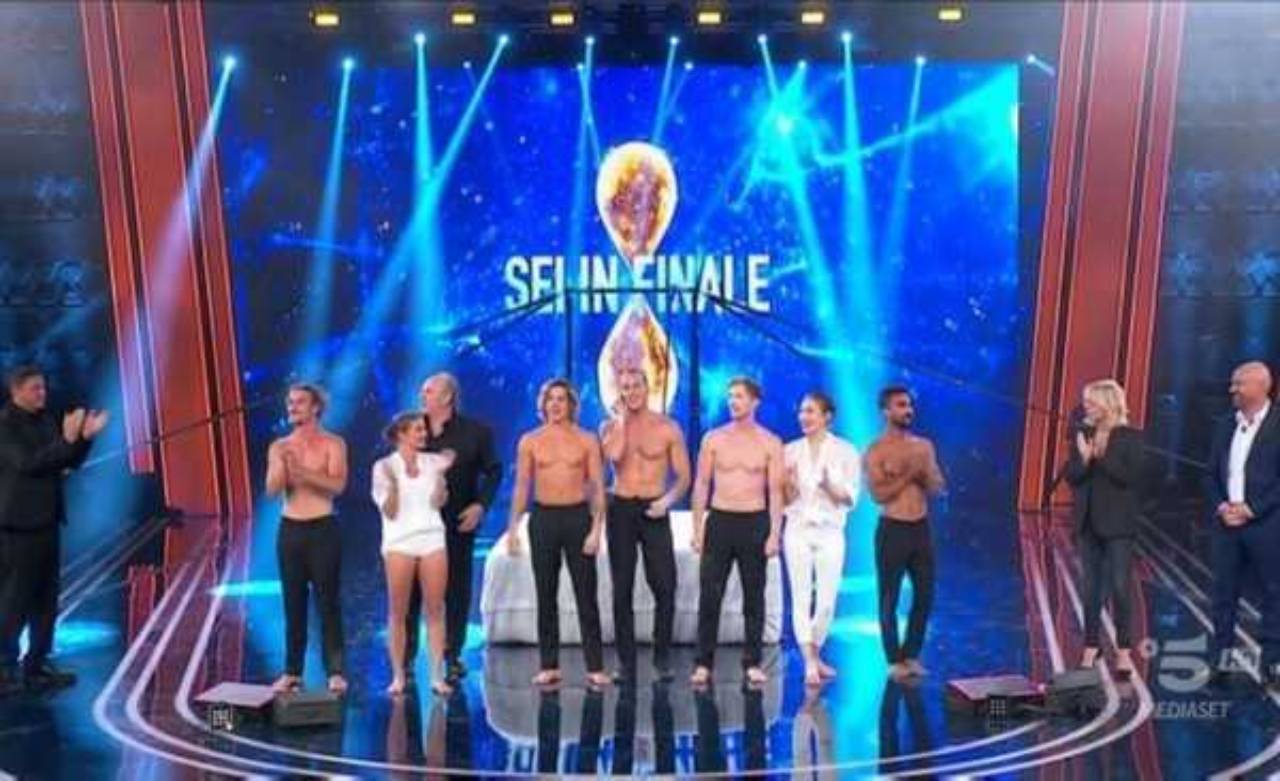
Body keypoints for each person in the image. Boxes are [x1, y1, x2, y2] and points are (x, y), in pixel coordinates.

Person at [0, 366, 108, 693]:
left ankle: (37, 664)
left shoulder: (45, 420)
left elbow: (65, 460)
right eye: (35, 389)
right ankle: (4, 667)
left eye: (43, 388)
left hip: (47, 521)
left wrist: (84, 439)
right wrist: (68, 439)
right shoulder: (5, 425)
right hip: (19, 525)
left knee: (46, 599)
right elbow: (29, 464)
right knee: (15, 599)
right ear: (16, 391)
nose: (42, 394)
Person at [506, 378, 611, 688]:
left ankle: (595, 666)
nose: (555, 404)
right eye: (550, 399)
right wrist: (512, 529)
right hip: (543, 519)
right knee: (545, 593)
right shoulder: (530, 441)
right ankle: (549, 665)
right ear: (543, 404)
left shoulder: (587, 440)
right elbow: (522, 486)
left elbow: (598, 487)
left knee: (586, 594)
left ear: (570, 405)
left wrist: (596, 529)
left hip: (577, 518)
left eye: (561, 399)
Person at [404, 373, 501, 685]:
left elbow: (494, 471)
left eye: (429, 390)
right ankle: (405, 658)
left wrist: (480, 506)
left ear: (447, 397)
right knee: (411, 591)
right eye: (422, 390)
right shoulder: (409, 430)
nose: (423, 395)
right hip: (415, 525)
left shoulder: (475, 433)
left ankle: (452, 655)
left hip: (456, 523)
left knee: (456, 590)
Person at [689, 377, 784, 689]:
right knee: (710, 594)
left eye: (740, 396)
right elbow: (701, 484)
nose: (733, 401)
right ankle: (703, 662)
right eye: (730, 396)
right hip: (720, 521)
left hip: (754, 522)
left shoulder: (770, 442)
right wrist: (697, 527)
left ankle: (752, 662)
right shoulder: (714, 439)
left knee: (754, 596)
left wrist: (774, 534)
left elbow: (776, 492)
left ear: (754, 402)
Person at [599, 369, 690, 683]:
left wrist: (667, 501)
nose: (632, 392)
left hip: (654, 507)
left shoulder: (668, 427)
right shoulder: (610, 427)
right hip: (621, 507)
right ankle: (625, 662)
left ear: (647, 387)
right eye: (625, 387)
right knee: (621, 587)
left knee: (665, 585)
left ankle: (661, 657)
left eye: (636, 385)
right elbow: (614, 455)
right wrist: (622, 421)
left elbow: (684, 477)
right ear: (619, 392)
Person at [265, 383, 349, 694]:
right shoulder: (279, 446)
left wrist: (304, 472)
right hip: (290, 530)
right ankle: (292, 671)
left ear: (315, 407)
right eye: (290, 402)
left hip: (323, 529)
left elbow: (337, 485)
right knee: (293, 603)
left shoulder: (334, 443)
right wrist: (283, 467)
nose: (293, 407)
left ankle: (335, 671)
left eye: (300, 402)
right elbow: (272, 491)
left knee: (328, 603)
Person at [1205, 360, 1280, 684]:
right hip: (1227, 525)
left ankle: (1272, 664)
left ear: (1262, 387)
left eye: (1239, 384)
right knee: (1223, 595)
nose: (1231, 389)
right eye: (1233, 383)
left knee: (1274, 594)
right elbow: (1210, 474)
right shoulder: (1225, 424)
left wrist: (1252, 509)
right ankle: (1220, 662)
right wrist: (1222, 506)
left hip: (1267, 525)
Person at [1065, 379, 1144, 676]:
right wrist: (1084, 460)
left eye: (1091, 402)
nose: (1085, 407)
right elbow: (1072, 477)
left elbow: (1130, 478)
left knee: (1121, 587)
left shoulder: (1130, 437)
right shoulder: (1082, 433)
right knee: (1091, 590)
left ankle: (1124, 651)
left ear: (1107, 404)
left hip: (1118, 525)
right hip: (1088, 523)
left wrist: (1101, 457)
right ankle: (1091, 645)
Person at [865, 385, 944, 681]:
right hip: (892, 529)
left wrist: (924, 475)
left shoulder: (924, 447)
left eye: (909, 405)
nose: (908, 410)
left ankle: (911, 654)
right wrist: (909, 474)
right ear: (886, 411)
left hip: (920, 528)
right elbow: (878, 494)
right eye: (901, 405)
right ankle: (893, 659)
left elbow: (938, 487)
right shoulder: (876, 451)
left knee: (925, 594)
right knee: (889, 597)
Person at [372, 411, 455, 696]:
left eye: (424, 429)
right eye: (417, 430)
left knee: (435, 609)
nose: (424, 434)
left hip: (432, 538)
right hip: (399, 542)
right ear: (401, 434)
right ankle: (398, 675)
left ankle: (436, 676)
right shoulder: (384, 467)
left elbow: (439, 502)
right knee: (398, 611)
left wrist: (441, 478)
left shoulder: (432, 462)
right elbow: (390, 510)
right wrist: (395, 483)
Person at [783, 391, 861, 687]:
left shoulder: (846, 452)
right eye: (802, 411)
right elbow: (785, 498)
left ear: (827, 417)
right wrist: (790, 483)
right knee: (801, 597)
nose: (804, 417)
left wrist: (830, 487)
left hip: (830, 531)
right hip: (797, 529)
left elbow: (850, 499)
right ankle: (809, 661)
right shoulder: (790, 451)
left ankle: (815, 652)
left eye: (810, 411)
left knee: (827, 601)